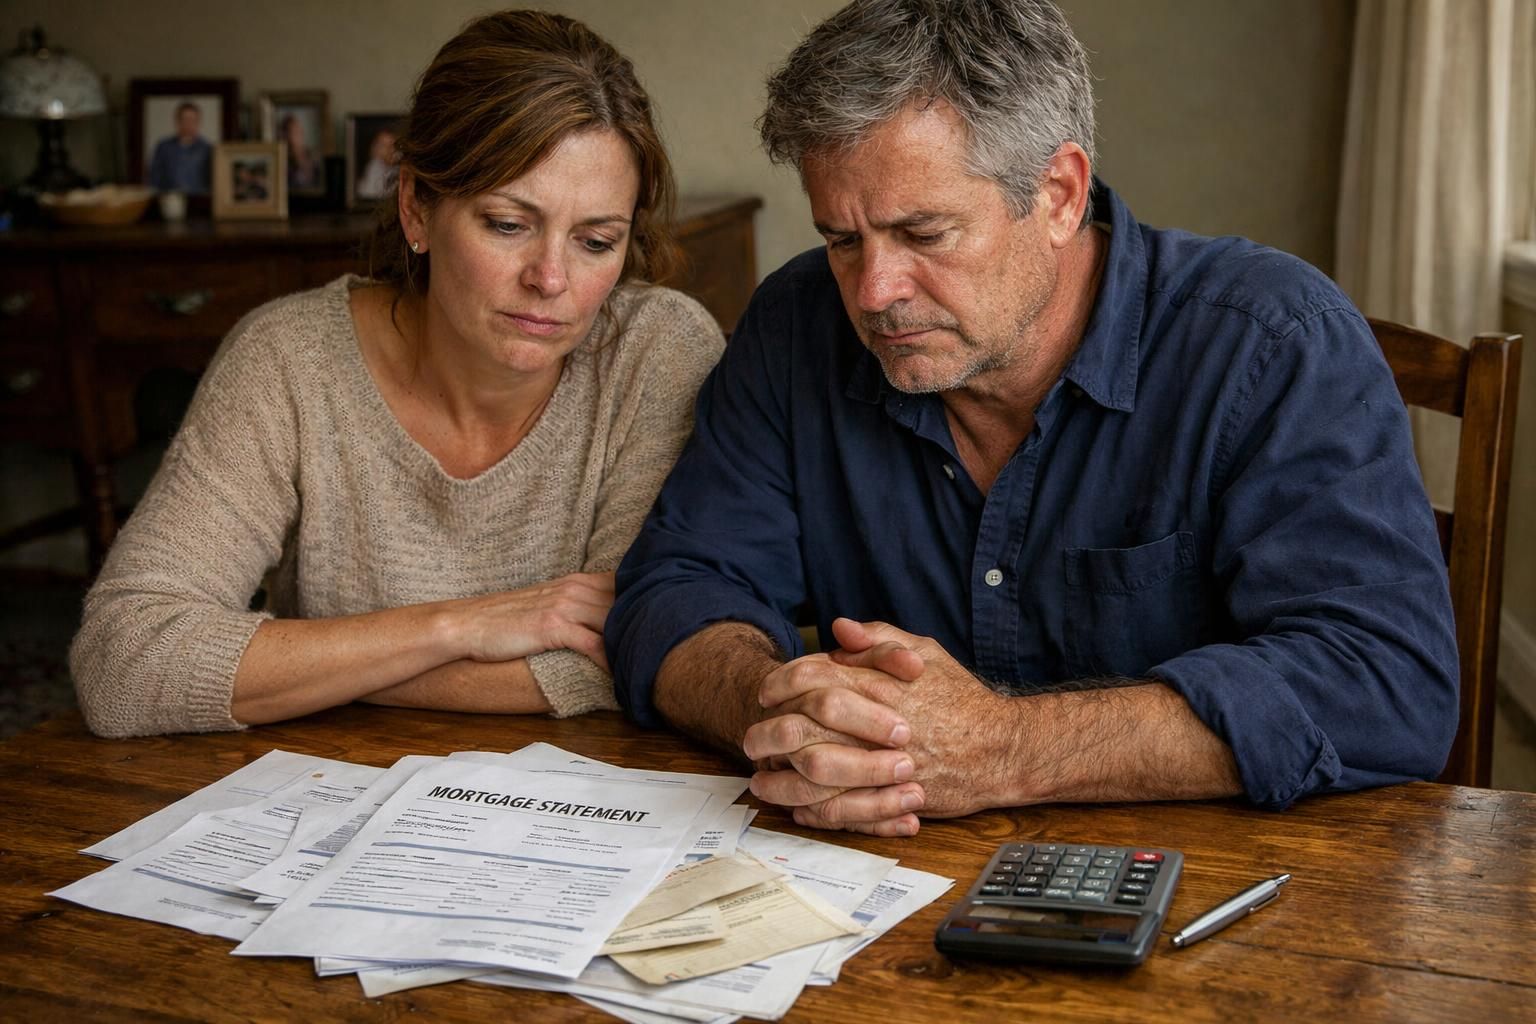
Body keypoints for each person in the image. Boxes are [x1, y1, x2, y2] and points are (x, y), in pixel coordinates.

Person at [607, 0, 1458, 836]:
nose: (873, 293)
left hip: (1224, 901)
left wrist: (1006, 747)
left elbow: (1385, 683)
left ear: (1058, 194)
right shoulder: (797, 326)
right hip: (880, 889)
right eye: (842, 240)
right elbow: (675, 591)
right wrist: (794, 715)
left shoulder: (1274, 345)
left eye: (925, 234)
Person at [71, 10, 723, 738]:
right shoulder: (288, 359)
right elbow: (123, 661)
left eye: (597, 241)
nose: (551, 278)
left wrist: (319, 669)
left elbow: (629, 651)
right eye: (507, 224)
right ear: (417, 207)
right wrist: (458, 626)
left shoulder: (656, 352)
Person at [147, 101, 212, 194]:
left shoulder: (207, 149)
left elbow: (213, 181)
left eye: (193, 120)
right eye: (185, 119)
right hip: (169, 201)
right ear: (177, 121)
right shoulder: (163, 147)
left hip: (199, 201)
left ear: (198, 122)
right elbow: (154, 179)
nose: (189, 124)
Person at [280, 113, 322, 192]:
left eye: (297, 131)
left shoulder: (313, 156)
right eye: (291, 132)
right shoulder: (283, 162)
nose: (292, 138)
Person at [356, 127, 400, 200]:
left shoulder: (400, 168)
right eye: (384, 146)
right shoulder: (373, 167)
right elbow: (369, 195)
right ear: (374, 148)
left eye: (392, 145)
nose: (389, 150)